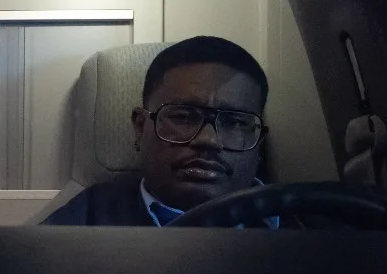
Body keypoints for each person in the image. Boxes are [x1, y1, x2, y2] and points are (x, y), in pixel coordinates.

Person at [42, 36, 276, 227]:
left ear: (259, 142)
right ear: (140, 127)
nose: (208, 139)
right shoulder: (85, 218)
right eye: (183, 117)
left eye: (235, 123)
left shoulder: (294, 222)